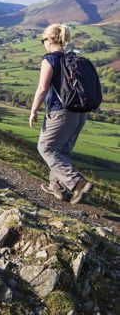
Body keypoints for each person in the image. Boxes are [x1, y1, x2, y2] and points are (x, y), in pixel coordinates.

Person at [29, 23, 93, 204]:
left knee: (46, 148)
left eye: (43, 39)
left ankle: (78, 183)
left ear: (49, 39)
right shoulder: (72, 59)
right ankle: (56, 188)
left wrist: (34, 110)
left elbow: (42, 88)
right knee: (61, 151)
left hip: (61, 113)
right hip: (79, 114)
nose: (43, 43)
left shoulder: (50, 59)